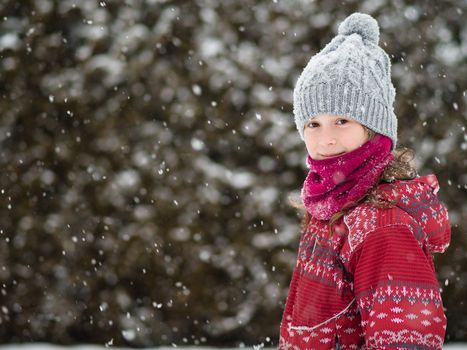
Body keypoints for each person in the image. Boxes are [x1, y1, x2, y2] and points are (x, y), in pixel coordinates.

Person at [279, 13, 451, 349]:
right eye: (313, 124)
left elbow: (404, 341)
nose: (326, 139)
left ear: (373, 129)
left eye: (341, 120)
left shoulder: (383, 225)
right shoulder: (332, 206)